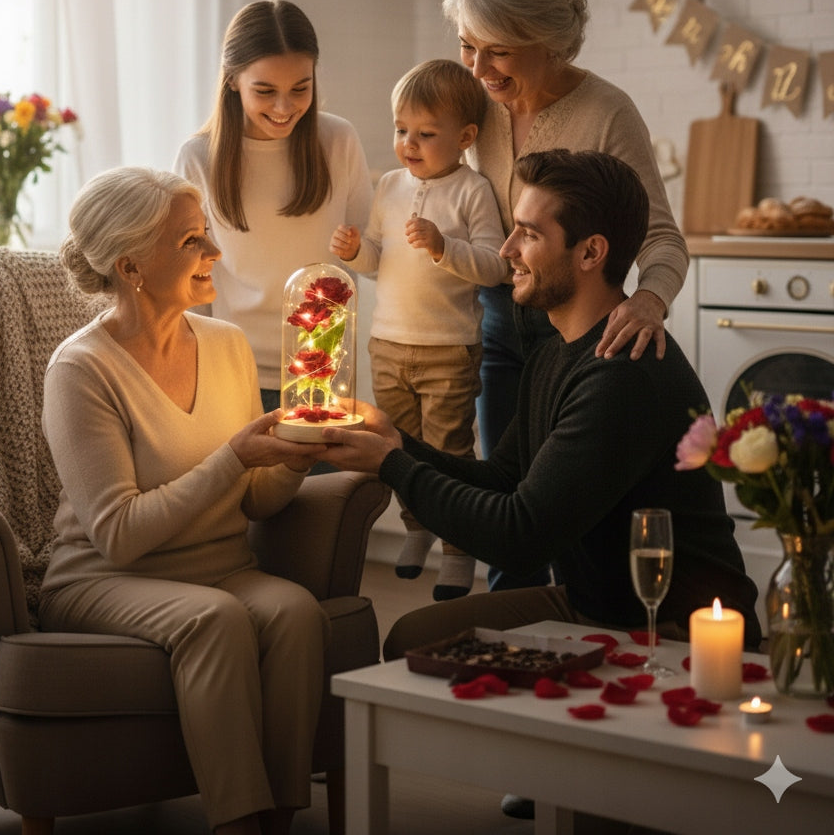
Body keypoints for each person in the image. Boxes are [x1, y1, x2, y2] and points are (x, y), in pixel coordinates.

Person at [316, 149, 760, 651]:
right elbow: (507, 479)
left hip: (672, 630)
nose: (506, 250)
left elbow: (519, 537)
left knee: (416, 644)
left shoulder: (621, 376)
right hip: (592, 603)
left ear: (591, 253)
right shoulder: (555, 352)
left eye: (528, 234)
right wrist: (395, 442)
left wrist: (392, 466)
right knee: (414, 637)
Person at [39, 166, 330, 835]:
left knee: (294, 613)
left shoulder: (226, 346)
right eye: (193, 240)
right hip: (106, 579)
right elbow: (118, 534)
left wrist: (293, 456)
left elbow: (253, 500)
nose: (215, 255)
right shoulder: (80, 369)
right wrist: (235, 455)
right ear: (131, 266)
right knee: (214, 620)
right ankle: (237, 822)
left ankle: (280, 816)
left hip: (220, 566)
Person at [443, 0, 690, 529]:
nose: (478, 69)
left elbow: (662, 237)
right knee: (507, 499)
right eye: (467, 45)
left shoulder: (607, 112)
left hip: (582, 332)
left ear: (549, 38)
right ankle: (512, 619)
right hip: (498, 319)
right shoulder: (476, 102)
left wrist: (650, 300)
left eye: (499, 50)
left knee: (572, 514)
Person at [330, 59, 508, 600]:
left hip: (449, 347)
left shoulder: (472, 190)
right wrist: (358, 250)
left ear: (465, 138)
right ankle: (417, 528)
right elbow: (379, 260)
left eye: (426, 134)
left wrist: (442, 247)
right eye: (402, 129)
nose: (409, 142)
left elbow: (494, 265)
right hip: (387, 343)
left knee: (450, 450)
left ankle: (459, 549)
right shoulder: (388, 186)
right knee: (399, 446)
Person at [174, 0, 373, 411]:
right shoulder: (198, 158)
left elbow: (367, 255)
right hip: (230, 372)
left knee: (328, 479)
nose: (285, 108)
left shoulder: (338, 141)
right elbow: (192, 285)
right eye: (265, 91)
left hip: (321, 372)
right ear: (232, 80)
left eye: (301, 88)